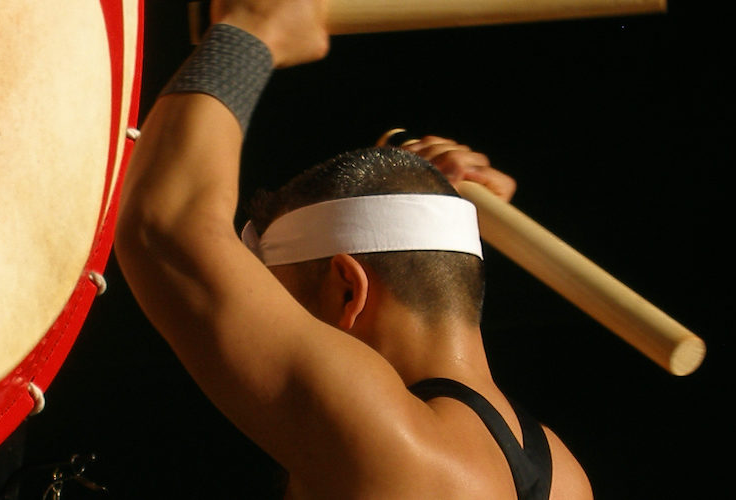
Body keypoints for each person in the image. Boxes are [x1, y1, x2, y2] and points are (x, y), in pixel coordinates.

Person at [112, 0, 593, 498]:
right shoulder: (565, 475)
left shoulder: (396, 444)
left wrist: (251, 30)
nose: (263, 322)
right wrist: (418, 195)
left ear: (348, 291)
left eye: (279, 301)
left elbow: (165, 226)